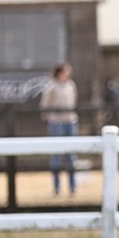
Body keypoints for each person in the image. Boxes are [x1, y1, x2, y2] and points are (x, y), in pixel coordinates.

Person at [40, 62, 78, 195]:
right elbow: (45, 105)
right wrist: (50, 118)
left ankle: (73, 187)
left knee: (71, 155)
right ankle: (57, 188)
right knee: (56, 155)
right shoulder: (51, 87)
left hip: (70, 121)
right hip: (56, 123)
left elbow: (74, 102)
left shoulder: (71, 85)